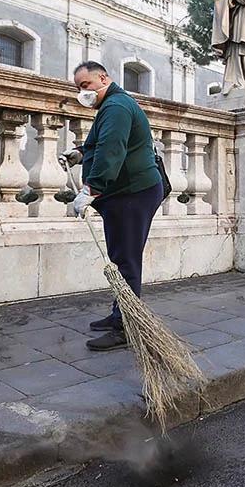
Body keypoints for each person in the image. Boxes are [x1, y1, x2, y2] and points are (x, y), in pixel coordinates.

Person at [64, 61, 164, 351]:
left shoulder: (117, 107)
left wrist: (90, 190)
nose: (83, 92)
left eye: (85, 85)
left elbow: (112, 149)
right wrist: (80, 153)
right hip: (123, 194)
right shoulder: (111, 106)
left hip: (133, 194)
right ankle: (119, 313)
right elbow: (99, 144)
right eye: (78, 88)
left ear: (103, 78)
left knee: (126, 260)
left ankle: (125, 328)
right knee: (120, 257)